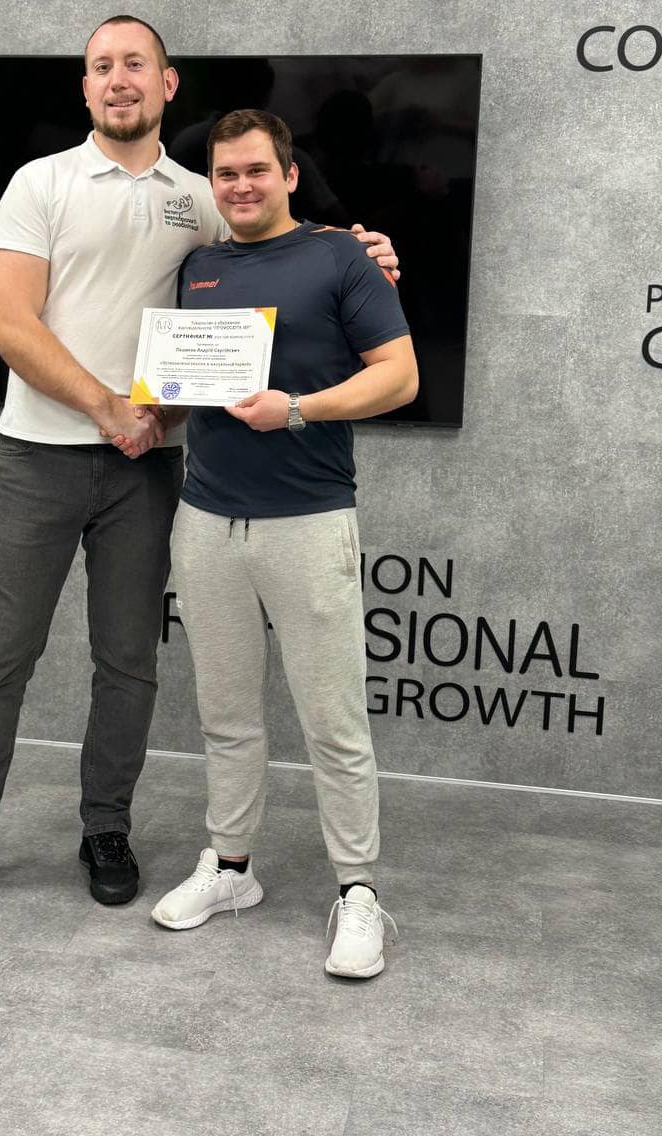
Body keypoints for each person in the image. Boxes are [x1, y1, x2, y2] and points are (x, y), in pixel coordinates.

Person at [0, 19, 400, 921]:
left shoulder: (201, 194)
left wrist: (365, 250)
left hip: (150, 465)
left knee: (129, 661)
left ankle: (106, 829)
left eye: (135, 64)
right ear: (85, 88)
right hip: (42, 454)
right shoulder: (40, 182)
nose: (118, 78)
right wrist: (106, 408)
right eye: (102, 66)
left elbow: (277, 235)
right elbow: (7, 324)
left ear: (168, 84)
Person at [149, 109, 417, 979]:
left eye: (257, 170)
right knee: (226, 714)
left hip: (307, 520)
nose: (241, 186)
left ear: (290, 175)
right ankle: (231, 869)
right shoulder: (199, 267)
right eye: (226, 174)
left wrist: (297, 408)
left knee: (333, 721)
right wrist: (153, 402)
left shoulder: (341, 257)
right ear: (213, 182)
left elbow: (399, 376)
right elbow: (189, 384)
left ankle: (359, 892)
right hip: (206, 520)